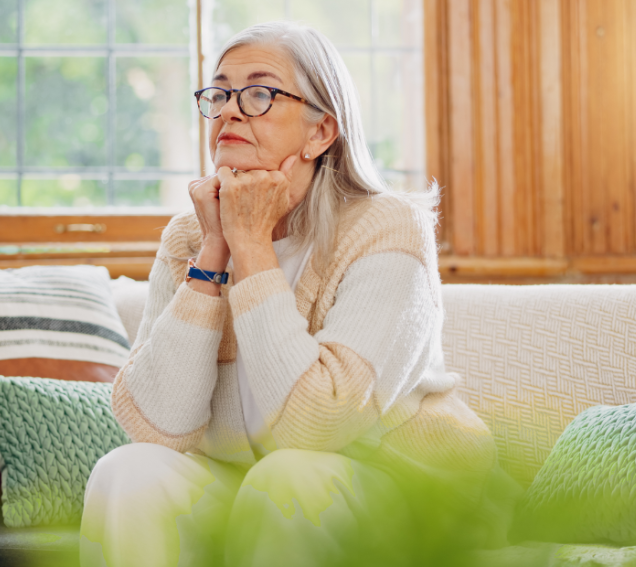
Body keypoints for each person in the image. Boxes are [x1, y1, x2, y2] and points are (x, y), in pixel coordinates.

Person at [79, 21, 521, 567]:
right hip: (245, 484)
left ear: (321, 132)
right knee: (127, 472)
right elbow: (154, 425)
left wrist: (252, 244)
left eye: (259, 93)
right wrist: (217, 247)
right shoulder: (190, 236)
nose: (229, 111)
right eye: (218, 94)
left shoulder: (386, 228)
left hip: (401, 492)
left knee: (290, 476)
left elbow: (319, 427)